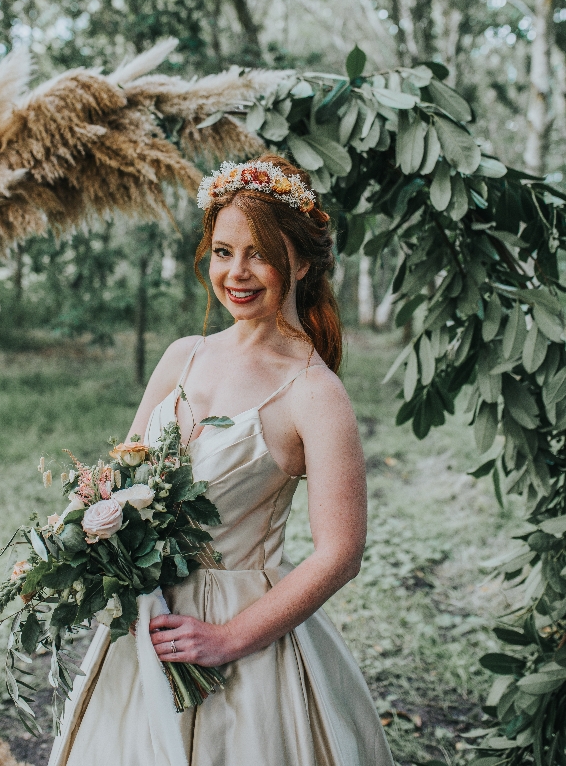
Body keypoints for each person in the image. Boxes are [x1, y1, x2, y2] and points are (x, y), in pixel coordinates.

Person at [49, 155, 394, 766]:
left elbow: (340, 553)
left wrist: (229, 638)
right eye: (222, 251)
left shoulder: (314, 394)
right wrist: (93, 533)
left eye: (259, 253)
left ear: (302, 262)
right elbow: (122, 476)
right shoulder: (183, 355)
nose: (237, 272)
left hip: (238, 629)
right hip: (146, 619)